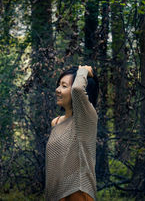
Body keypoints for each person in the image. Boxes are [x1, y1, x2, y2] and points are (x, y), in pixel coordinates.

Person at [45, 65, 99, 201]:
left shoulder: (86, 119)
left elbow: (77, 89)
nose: (57, 90)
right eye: (58, 85)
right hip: (56, 195)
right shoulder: (56, 122)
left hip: (78, 192)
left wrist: (84, 70)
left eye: (64, 86)